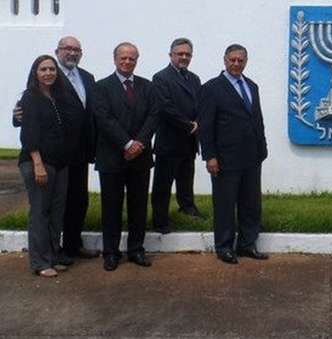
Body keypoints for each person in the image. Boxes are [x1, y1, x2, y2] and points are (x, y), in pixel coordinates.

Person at [13, 36, 99, 261]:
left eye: (76, 49)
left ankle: (71, 245)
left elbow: (90, 112)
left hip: (78, 151)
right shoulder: (49, 77)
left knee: (77, 200)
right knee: (48, 206)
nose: (72, 53)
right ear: (58, 50)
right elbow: (28, 111)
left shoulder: (87, 77)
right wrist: (16, 115)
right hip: (51, 154)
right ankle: (48, 254)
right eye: (67, 49)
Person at [199, 44, 268, 265]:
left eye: (240, 60)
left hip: (251, 157)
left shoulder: (252, 86)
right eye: (232, 60)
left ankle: (247, 244)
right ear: (225, 60)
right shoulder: (212, 88)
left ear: (246, 61)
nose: (236, 64)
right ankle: (224, 247)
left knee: (251, 204)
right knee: (225, 205)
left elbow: (257, 119)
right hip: (224, 159)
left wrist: (262, 148)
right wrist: (210, 156)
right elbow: (206, 125)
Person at [93, 42, 158, 272]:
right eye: (123, 58)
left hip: (140, 158)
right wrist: (127, 143)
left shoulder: (148, 87)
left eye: (132, 58)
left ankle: (136, 249)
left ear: (137, 60)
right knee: (111, 207)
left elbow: (153, 116)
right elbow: (104, 119)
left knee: (138, 206)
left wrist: (139, 143)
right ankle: (111, 252)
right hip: (111, 157)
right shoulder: (101, 87)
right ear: (115, 59)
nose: (127, 62)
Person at [18, 55, 74, 277]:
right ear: (35, 73)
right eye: (43, 69)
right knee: (40, 212)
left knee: (56, 212)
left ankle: (53, 255)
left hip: (60, 163)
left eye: (52, 69)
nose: (49, 73)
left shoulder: (57, 97)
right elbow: (29, 134)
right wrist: (38, 164)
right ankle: (40, 262)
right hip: (38, 162)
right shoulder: (30, 98)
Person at [151, 38, 203, 234]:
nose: (184, 57)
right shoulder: (161, 78)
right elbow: (165, 108)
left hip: (189, 140)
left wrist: (199, 121)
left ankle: (187, 207)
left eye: (187, 54)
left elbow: (201, 104)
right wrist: (189, 124)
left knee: (186, 178)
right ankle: (160, 220)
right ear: (171, 54)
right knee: (163, 184)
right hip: (169, 140)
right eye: (180, 53)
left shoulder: (194, 79)